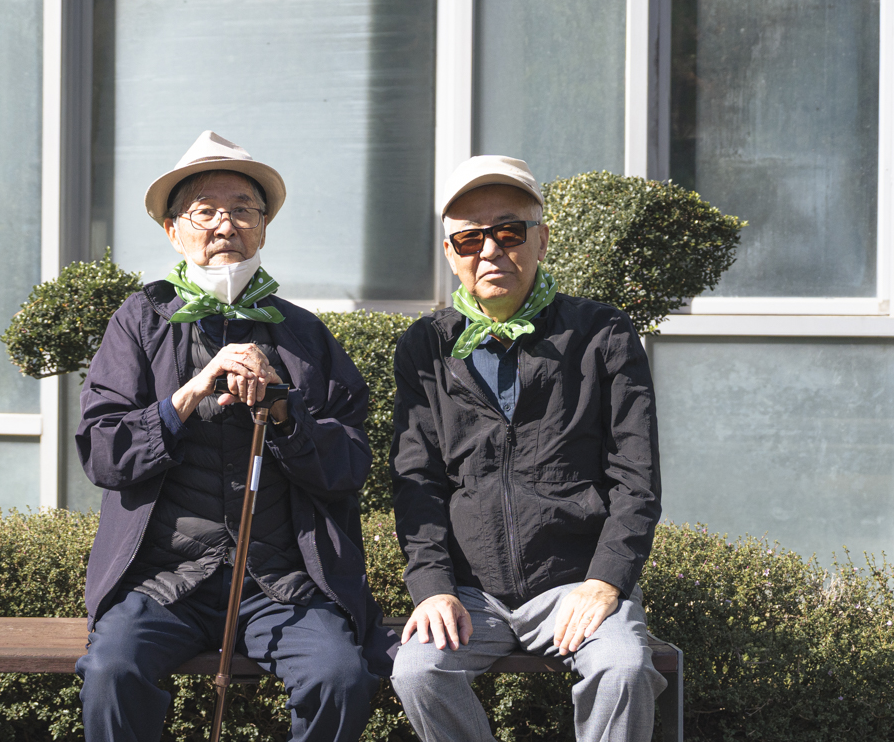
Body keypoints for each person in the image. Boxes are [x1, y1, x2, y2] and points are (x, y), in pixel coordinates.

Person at [73, 131, 397, 742]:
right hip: (165, 582)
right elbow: (104, 452)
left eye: (244, 209)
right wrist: (189, 393)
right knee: (113, 671)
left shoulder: (304, 334)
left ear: (264, 228)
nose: (226, 224)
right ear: (173, 231)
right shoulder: (138, 322)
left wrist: (285, 412)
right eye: (205, 211)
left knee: (340, 676)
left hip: (281, 582)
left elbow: (351, 462)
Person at [388, 155, 666, 742]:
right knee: (417, 672)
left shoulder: (602, 333)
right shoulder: (425, 346)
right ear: (450, 254)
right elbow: (417, 481)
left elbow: (636, 477)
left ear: (541, 239)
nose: (490, 250)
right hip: (471, 593)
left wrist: (607, 580)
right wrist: (433, 588)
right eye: (470, 239)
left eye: (509, 232)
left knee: (623, 667)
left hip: (575, 583)